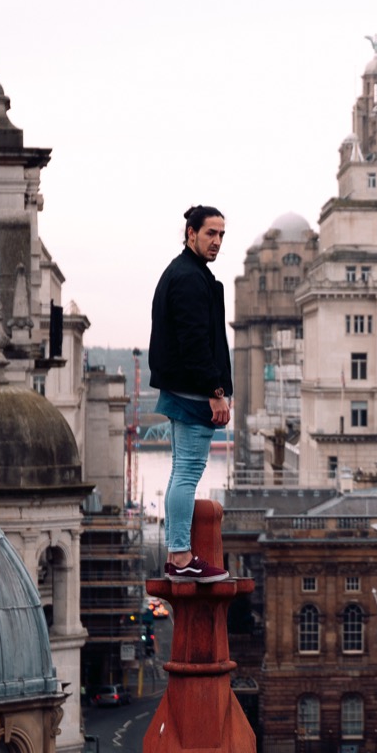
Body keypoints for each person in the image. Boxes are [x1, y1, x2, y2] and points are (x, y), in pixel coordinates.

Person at [149, 205, 232, 583]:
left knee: (181, 471)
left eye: (221, 235)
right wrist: (215, 390)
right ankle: (182, 558)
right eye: (210, 233)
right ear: (191, 233)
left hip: (185, 389)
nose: (216, 241)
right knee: (187, 472)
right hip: (195, 393)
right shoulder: (189, 278)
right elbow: (196, 341)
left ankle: (178, 554)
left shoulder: (187, 273)